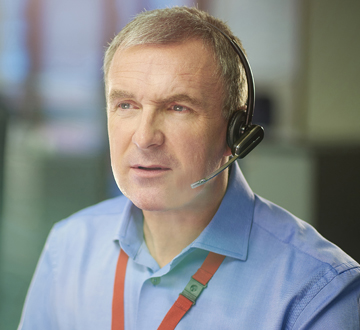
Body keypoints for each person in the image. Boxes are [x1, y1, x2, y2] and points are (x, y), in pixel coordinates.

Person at [18, 6, 360, 330]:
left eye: (177, 107)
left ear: (235, 131)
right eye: (126, 105)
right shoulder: (68, 246)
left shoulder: (318, 290)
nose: (144, 137)